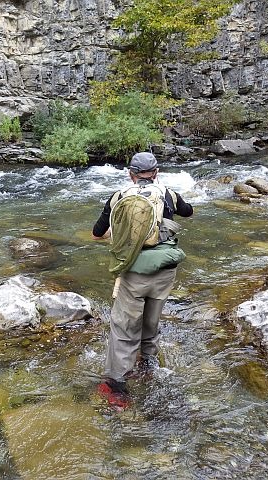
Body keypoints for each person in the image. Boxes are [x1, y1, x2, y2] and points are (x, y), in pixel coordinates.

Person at [91, 152, 193, 409]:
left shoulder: (119, 196)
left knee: (125, 327)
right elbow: (188, 212)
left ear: (131, 175)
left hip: (134, 270)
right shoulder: (168, 194)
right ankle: (147, 366)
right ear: (156, 173)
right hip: (166, 268)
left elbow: (96, 233)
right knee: (151, 319)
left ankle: (116, 386)